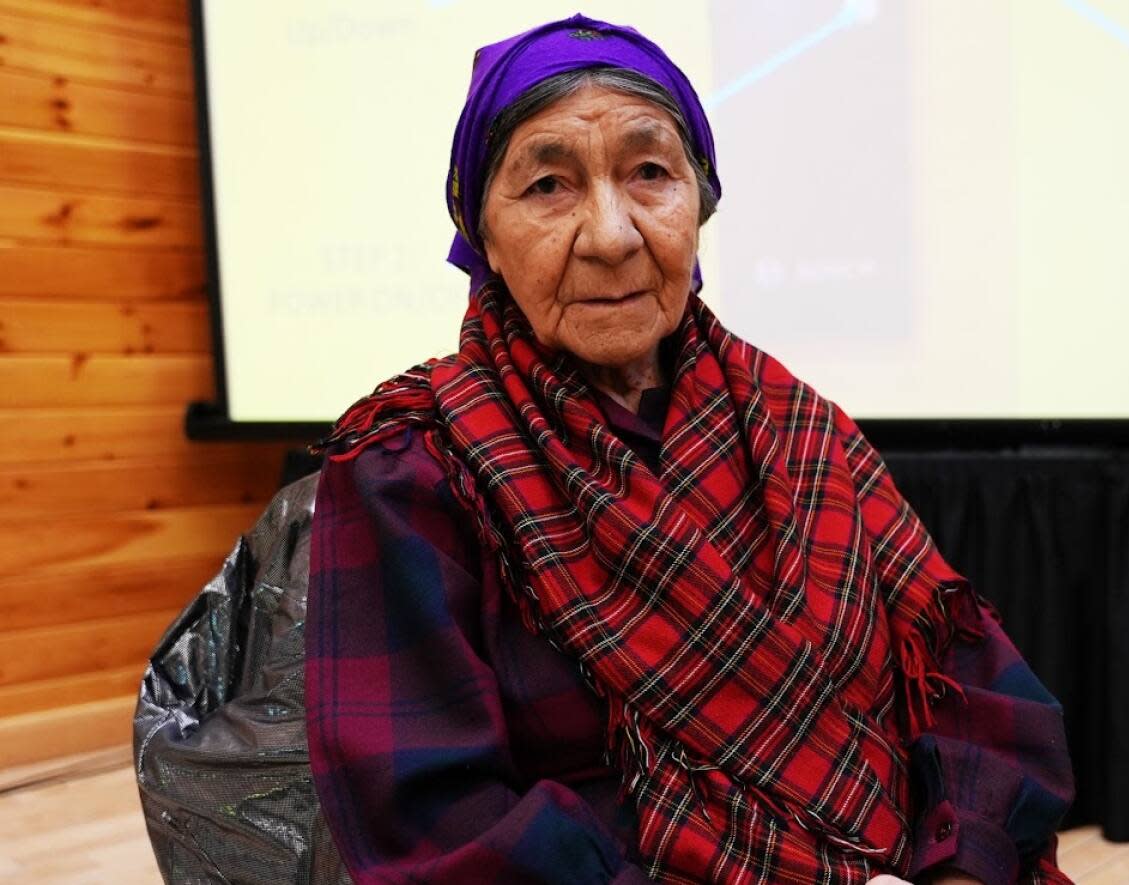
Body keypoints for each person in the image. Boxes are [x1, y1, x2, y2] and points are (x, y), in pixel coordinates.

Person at [305, 14, 1074, 885]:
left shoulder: (798, 426)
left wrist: (960, 867)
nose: (611, 234)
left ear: (698, 205)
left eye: (649, 174)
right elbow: (434, 825)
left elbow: (974, 684)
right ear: (479, 230)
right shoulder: (409, 466)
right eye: (550, 185)